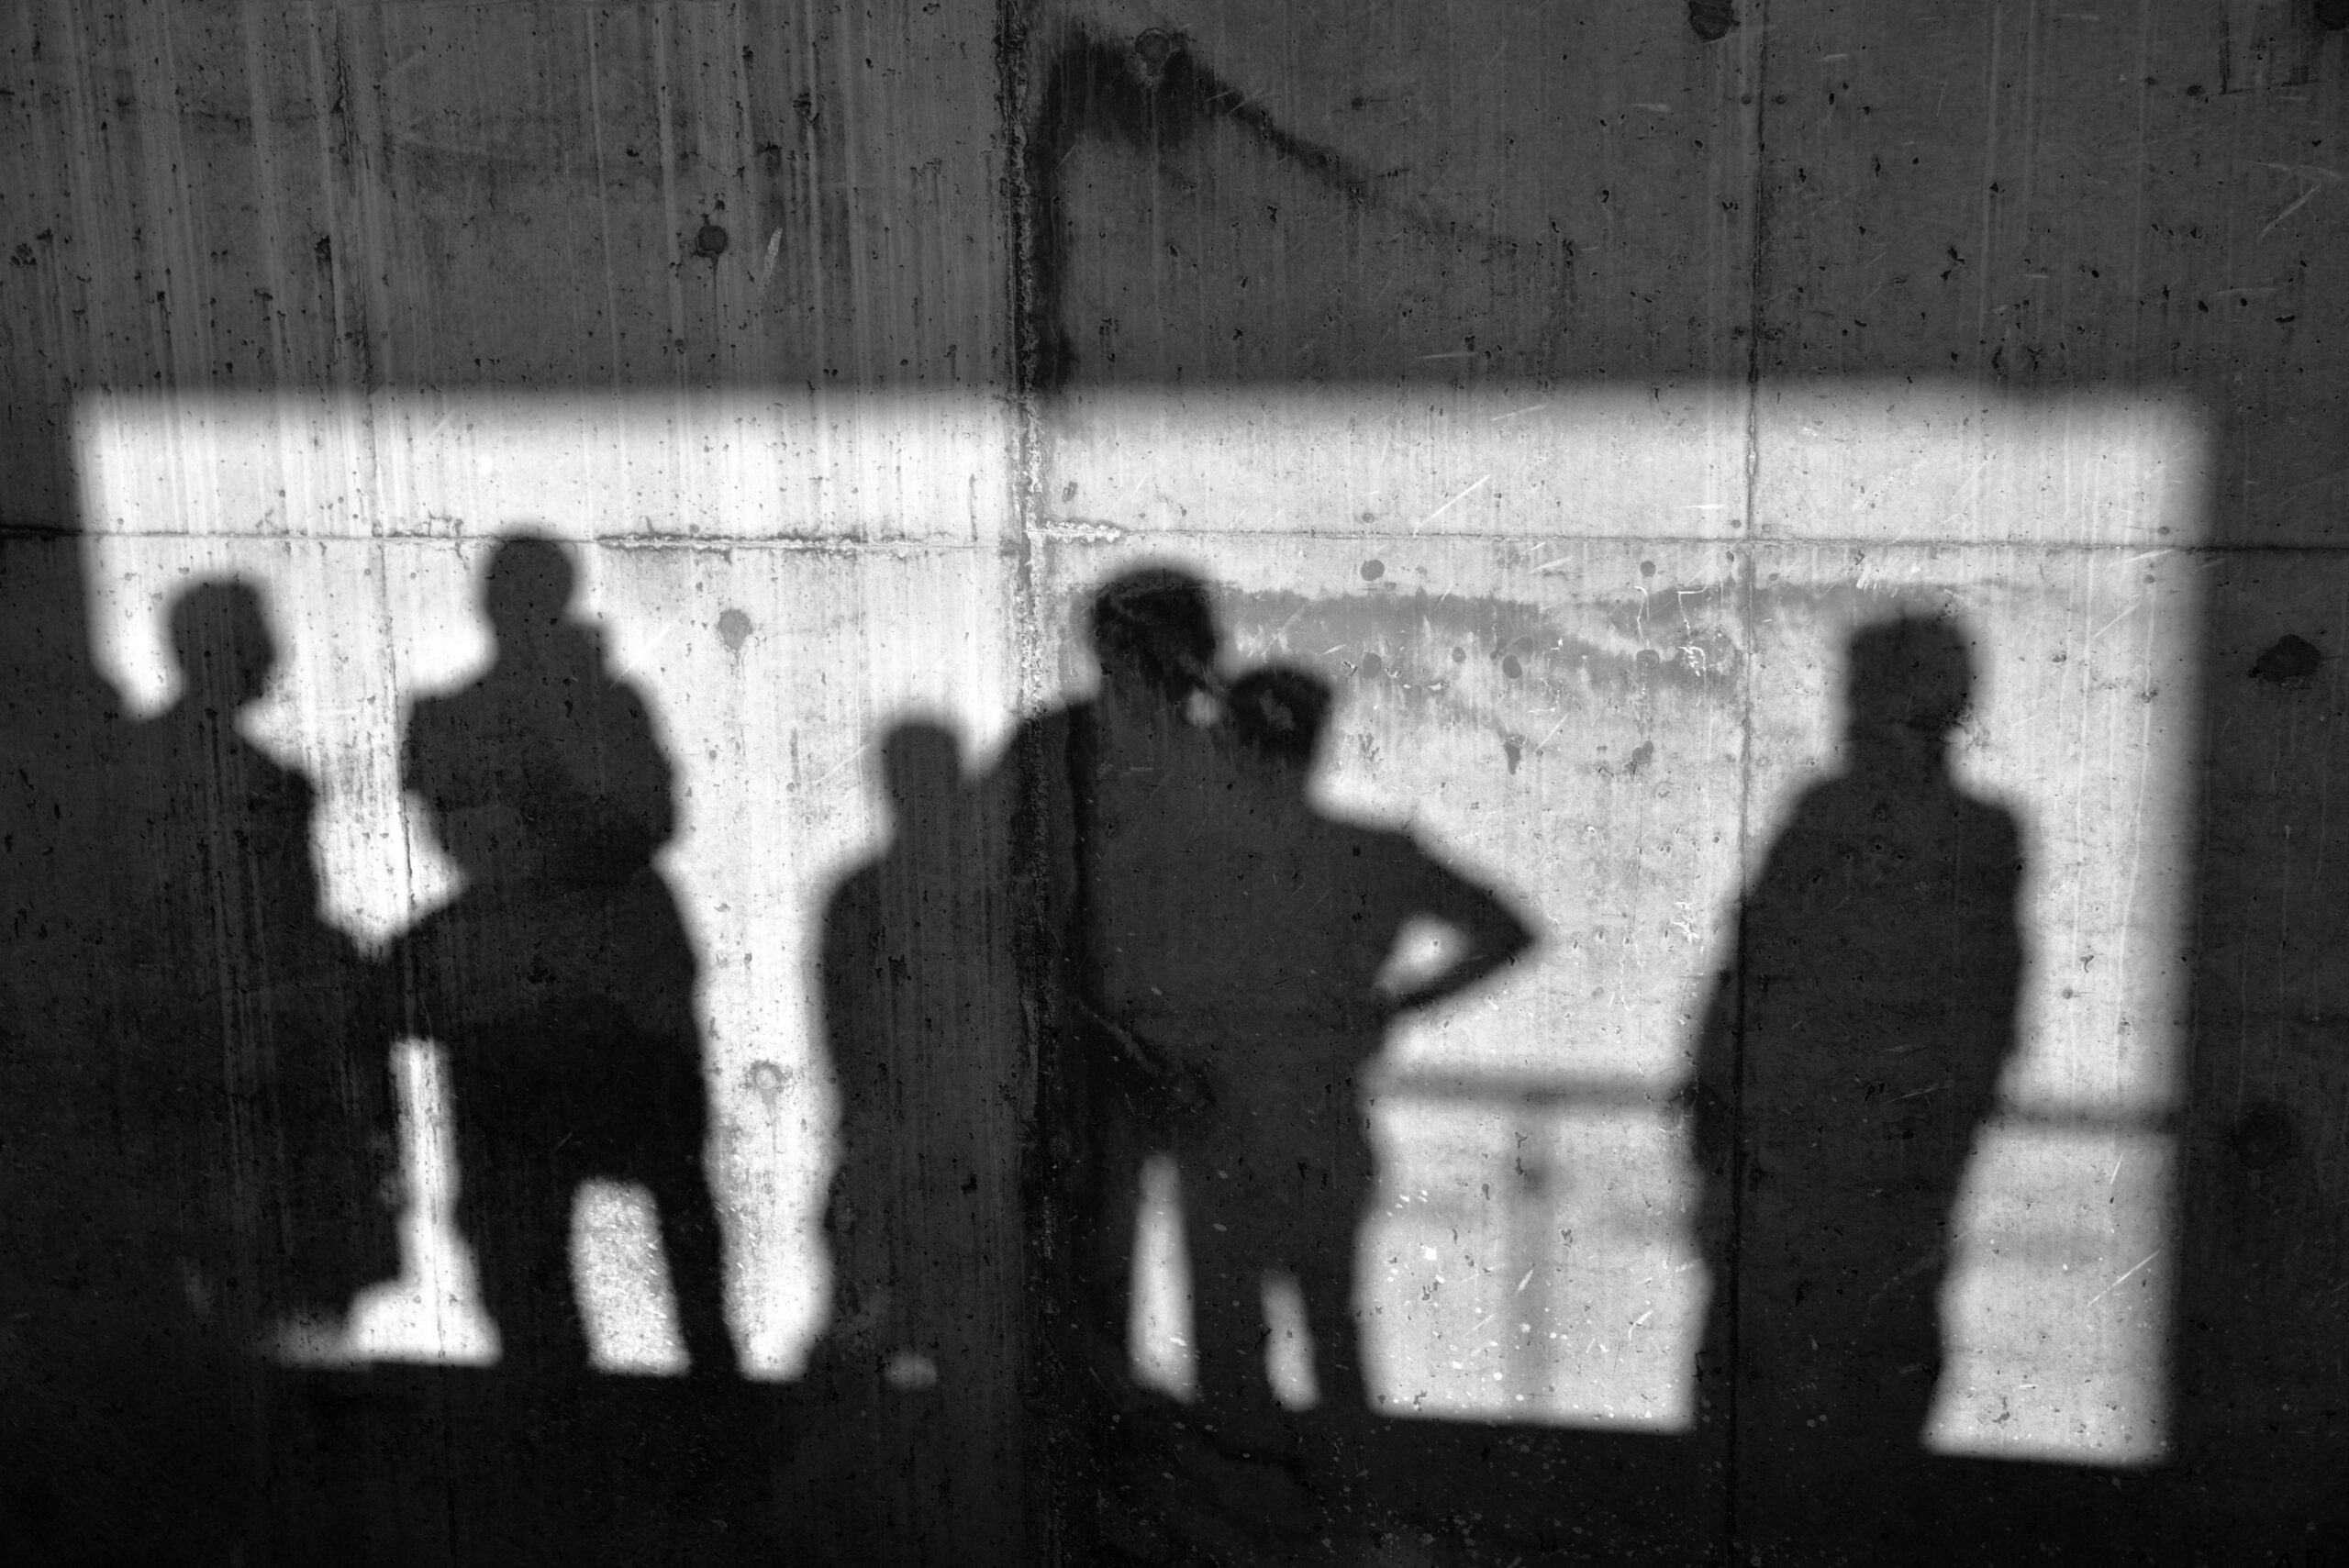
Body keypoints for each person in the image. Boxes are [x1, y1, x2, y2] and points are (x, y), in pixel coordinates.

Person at [1684, 612, 2024, 1553]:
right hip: (1874, 1166)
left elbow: (1744, 977)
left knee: (1767, 1380)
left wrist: (1714, 1120)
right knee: (1867, 1376)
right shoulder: (1968, 832)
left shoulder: (1839, 818)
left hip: (1801, 1160)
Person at [392, 535, 737, 1378]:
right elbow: (462, 833)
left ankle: (705, 1397)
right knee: (525, 1236)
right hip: (529, 988)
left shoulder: (603, 705)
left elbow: (649, 818)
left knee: (671, 1206)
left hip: (607, 985)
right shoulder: (458, 715)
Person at [1183, 663, 1535, 1439]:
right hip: (1323, 1118)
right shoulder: (1368, 856)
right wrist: (1393, 1005)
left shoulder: (1198, 866)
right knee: (1332, 1332)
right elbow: (1507, 930)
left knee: (1227, 1345)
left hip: (1218, 1124)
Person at [115, 580, 397, 1350]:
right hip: (230, 1059)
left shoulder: (137, 768)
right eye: (258, 636)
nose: (276, 653)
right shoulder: (264, 785)